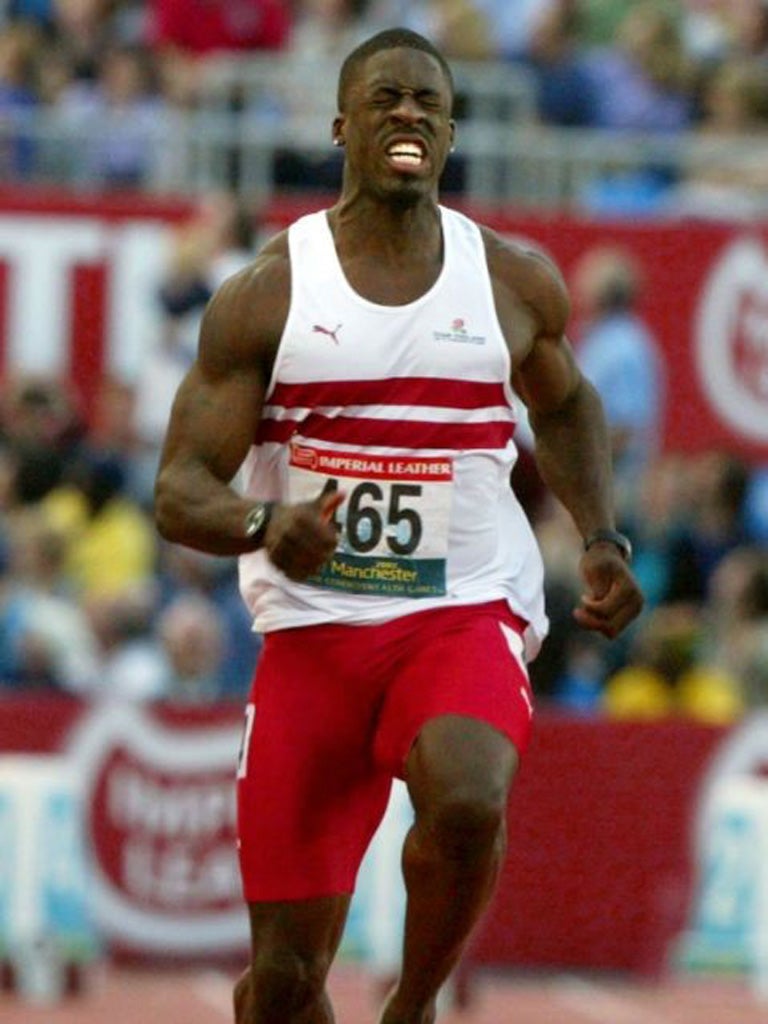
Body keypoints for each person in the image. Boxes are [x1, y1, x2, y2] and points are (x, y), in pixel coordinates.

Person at [154, 27, 643, 1024]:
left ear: (453, 131)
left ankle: (412, 1006)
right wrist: (263, 520)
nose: (409, 113)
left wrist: (600, 535)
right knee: (283, 987)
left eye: (428, 100)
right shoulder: (268, 292)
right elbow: (177, 488)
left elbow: (568, 403)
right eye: (385, 99)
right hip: (313, 633)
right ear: (341, 127)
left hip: (458, 612)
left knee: (468, 794)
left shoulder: (509, 279)